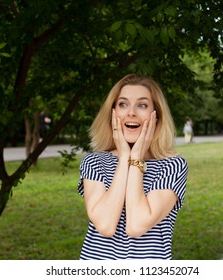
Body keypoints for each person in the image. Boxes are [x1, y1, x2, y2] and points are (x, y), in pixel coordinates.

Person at [77, 74, 188, 259]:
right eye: (123, 104)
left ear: (157, 115)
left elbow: (136, 225)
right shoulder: (94, 162)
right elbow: (105, 225)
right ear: (113, 112)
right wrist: (124, 159)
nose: (131, 113)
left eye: (142, 105)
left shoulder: (173, 166)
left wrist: (135, 157)